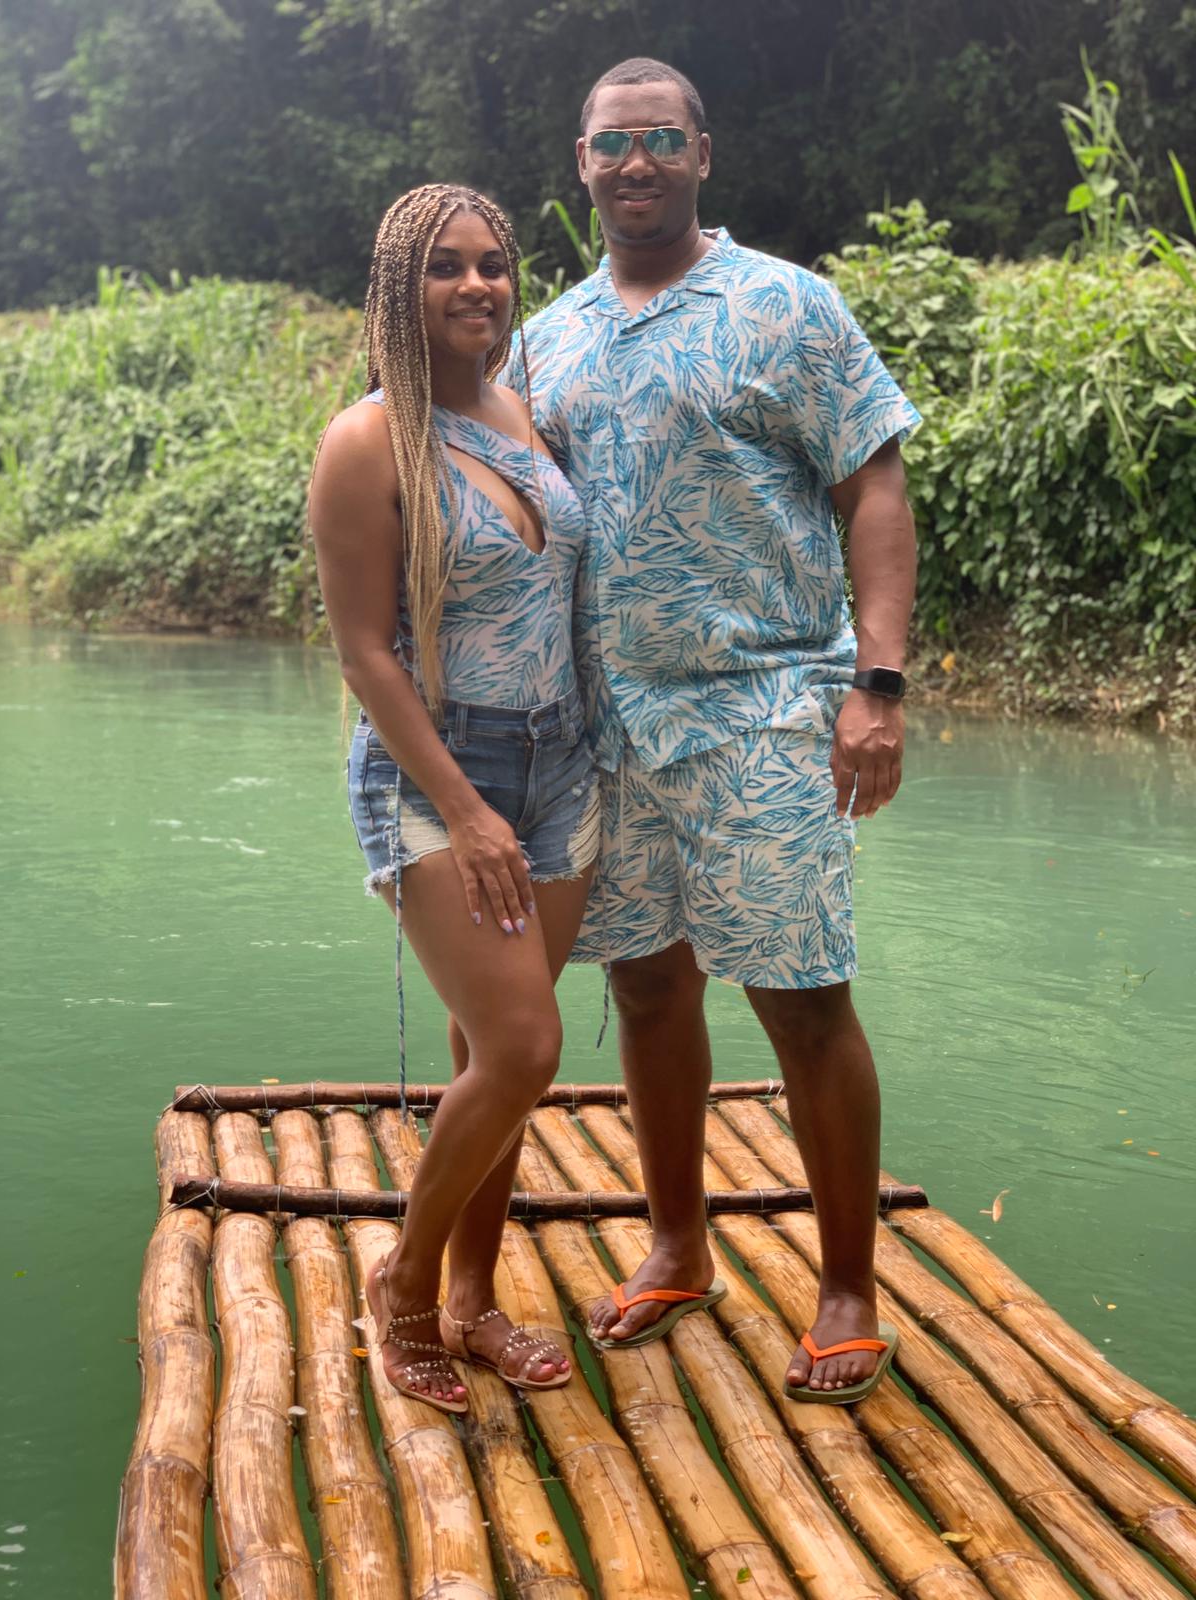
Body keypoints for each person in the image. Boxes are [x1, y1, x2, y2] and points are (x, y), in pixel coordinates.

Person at [506, 59, 920, 1403]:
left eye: (660, 141)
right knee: (643, 983)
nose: (635, 164)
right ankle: (677, 1246)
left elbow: (873, 481)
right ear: (581, 159)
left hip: (766, 706)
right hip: (606, 721)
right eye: (612, 143)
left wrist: (879, 683)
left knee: (802, 996)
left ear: (701, 155)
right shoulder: (546, 336)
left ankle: (849, 1283)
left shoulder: (785, 307)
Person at [308, 184, 599, 1412]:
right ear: (397, 289)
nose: (475, 285)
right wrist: (468, 811)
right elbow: (368, 651)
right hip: (442, 773)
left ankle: (476, 1300)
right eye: (444, 267)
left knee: (498, 1051)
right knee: (530, 1042)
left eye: (490, 264)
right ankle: (409, 1284)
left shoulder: (528, 416)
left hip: (562, 766)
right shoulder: (368, 441)